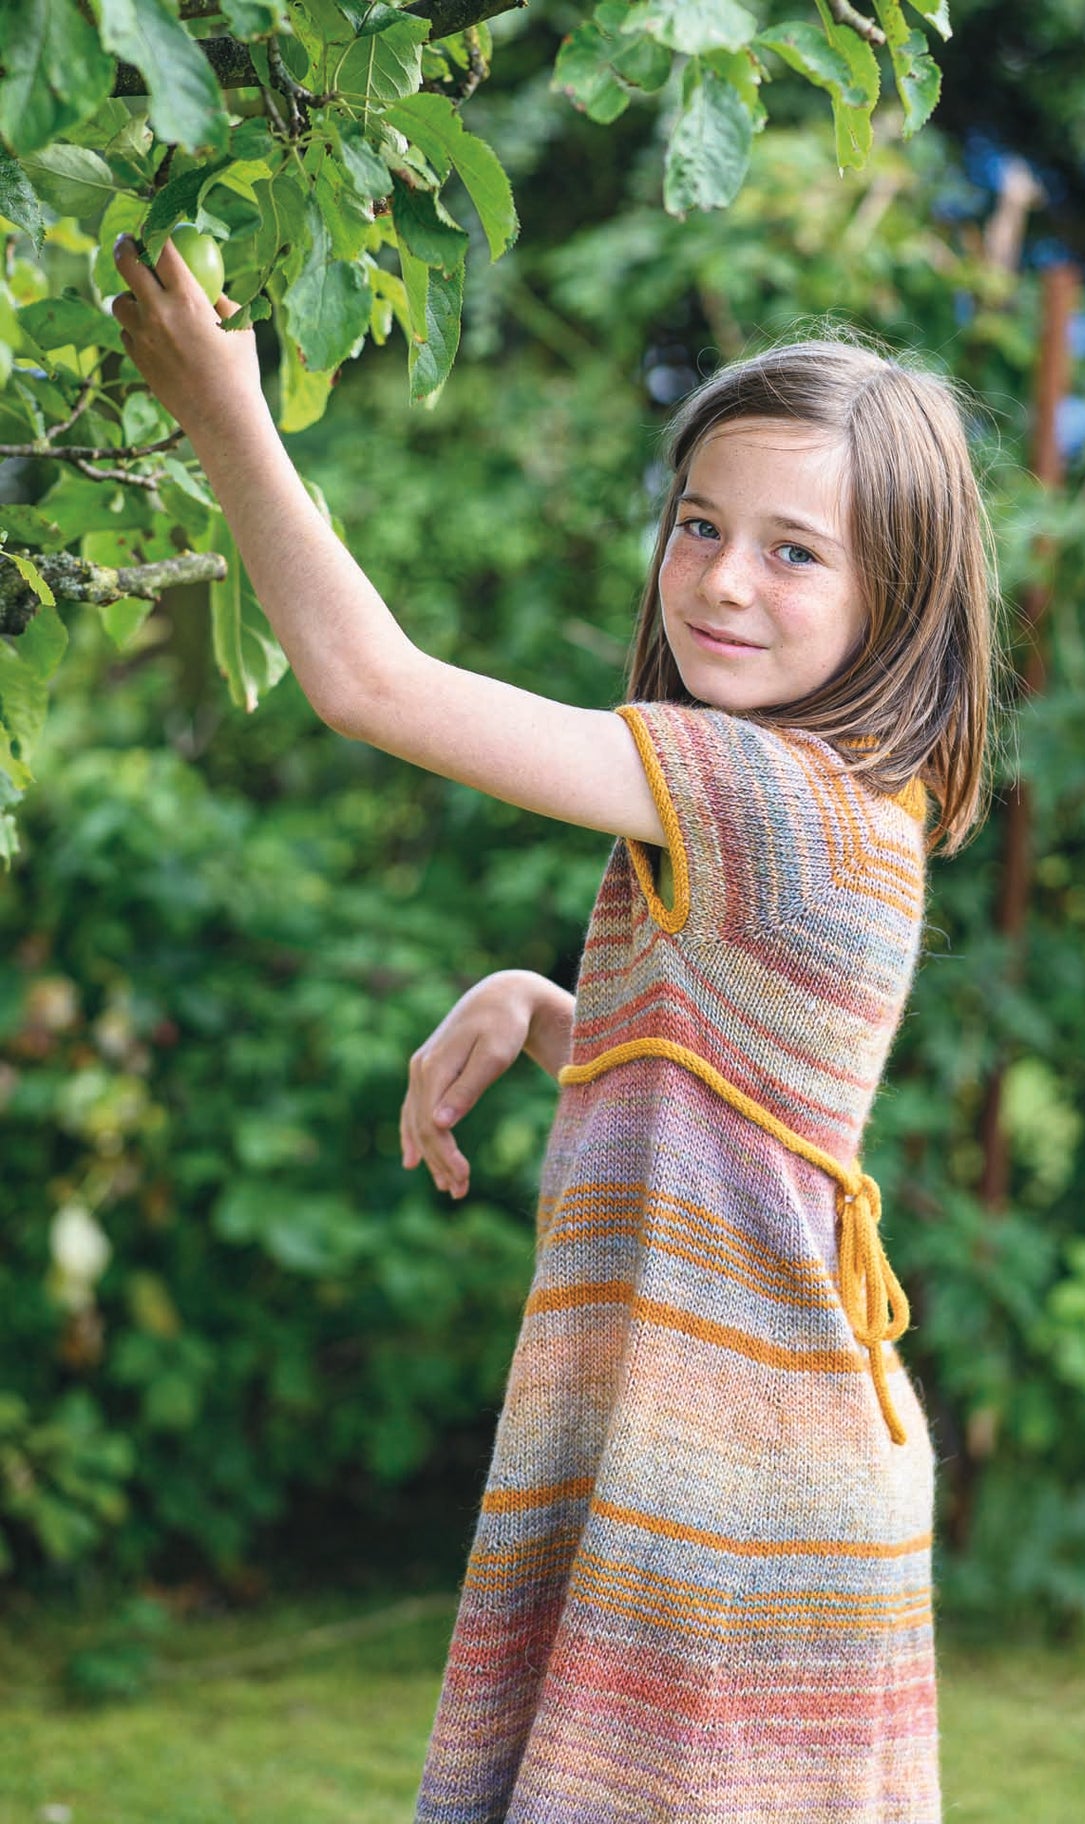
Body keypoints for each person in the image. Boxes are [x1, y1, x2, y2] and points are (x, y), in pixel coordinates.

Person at [112, 232, 998, 1823]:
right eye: (700, 524)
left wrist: (220, 412)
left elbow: (370, 685)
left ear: (899, 597)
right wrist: (546, 1013)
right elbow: (745, 1107)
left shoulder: (764, 797)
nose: (725, 576)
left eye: (796, 552)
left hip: (727, 1486)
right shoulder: (834, 803)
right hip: (747, 1456)